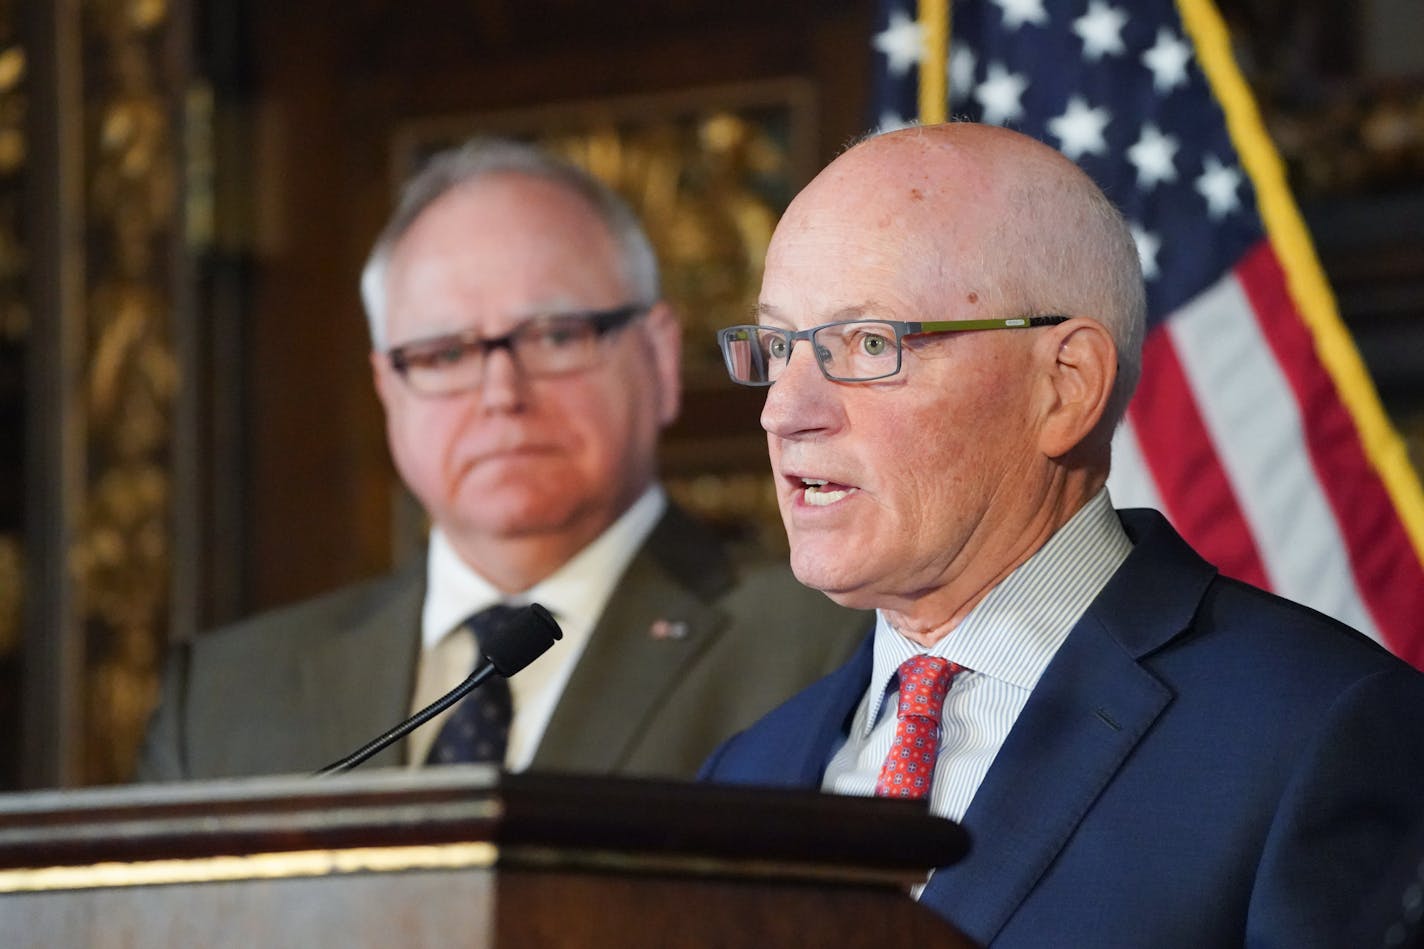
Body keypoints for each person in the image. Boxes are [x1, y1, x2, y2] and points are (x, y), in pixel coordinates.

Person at [699, 122, 1424, 947]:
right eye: (777, 346)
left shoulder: (1315, 734)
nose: (783, 411)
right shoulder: (746, 770)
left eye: (869, 343)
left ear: (1066, 386)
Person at [138, 137, 869, 781]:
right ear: (387, 386)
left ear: (659, 358)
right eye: (444, 352)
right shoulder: (227, 695)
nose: (500, 393)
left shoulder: (826, 647)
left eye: (554, 336)